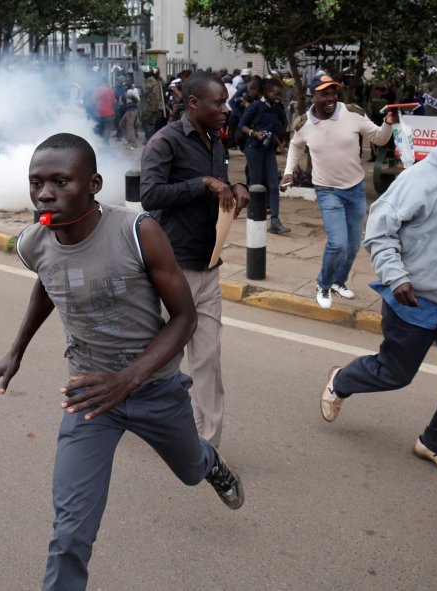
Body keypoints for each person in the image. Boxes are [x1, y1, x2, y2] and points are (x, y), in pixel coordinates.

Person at [0, 133, 244, 590]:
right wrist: (15, 351)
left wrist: (127, 380)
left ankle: (211, 464)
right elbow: (50, 280)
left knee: (189, 471)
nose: (45, 194)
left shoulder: (138, 232)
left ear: (94, 184)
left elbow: (185, 319)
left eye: (61, 181)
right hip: (89, 397)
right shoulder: (34, 243)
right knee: (70, 533)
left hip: (156, 390)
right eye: (36, 183)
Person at [318, 109, 437, 477]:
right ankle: (342, 380)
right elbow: (380, 232)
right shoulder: (418, 180)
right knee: (394, 374)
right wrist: (396, 277)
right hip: (413, 299)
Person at [140, 72, 250, 448]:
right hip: (174, 271)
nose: (226, 109)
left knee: (208, 360)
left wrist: (234, 186)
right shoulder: (165, 141)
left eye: (226, 102)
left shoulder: (215, 141)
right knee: (161, 359)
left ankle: (208, 447)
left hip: (209, 267)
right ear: (193, 104)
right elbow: (150, 195)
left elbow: (222, 180)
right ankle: (133, 411)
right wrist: (201, 184)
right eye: (219, 103)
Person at [280, 74, 397, 309]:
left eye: (333, 92)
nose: (330, 97)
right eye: (324, 93)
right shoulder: (305, 124)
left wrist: (388, 123)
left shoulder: (352, 114)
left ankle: (338, 282)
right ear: (314, 96)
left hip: (355, 188)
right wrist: (288, 171)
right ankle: (323, 285)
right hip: (327, 190)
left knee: (353, 245)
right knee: (338, 243)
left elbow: (379, 139)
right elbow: (295, 145)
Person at [240, 77, 290, 234]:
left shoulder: (276, 108)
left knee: (274, 185)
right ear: (267, 92)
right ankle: (254, 216)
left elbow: (277, 127)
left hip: (268, 150)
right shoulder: (256, 106)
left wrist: (281, 146)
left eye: (280, 94)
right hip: (254, 148)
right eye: (275, 94)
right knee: (255, 184)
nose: (278, 97)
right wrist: (255, 133)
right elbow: (242, 125)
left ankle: (275, 221)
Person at [141, 68, 166, 142]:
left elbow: (145, 89)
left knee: (145, 121)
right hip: (158, 106)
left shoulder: (150, 79)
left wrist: (143, 84)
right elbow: (164, 83)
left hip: (151, 106)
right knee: (153, 122)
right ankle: (151, 138)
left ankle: (148, 137)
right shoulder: (158, 80)